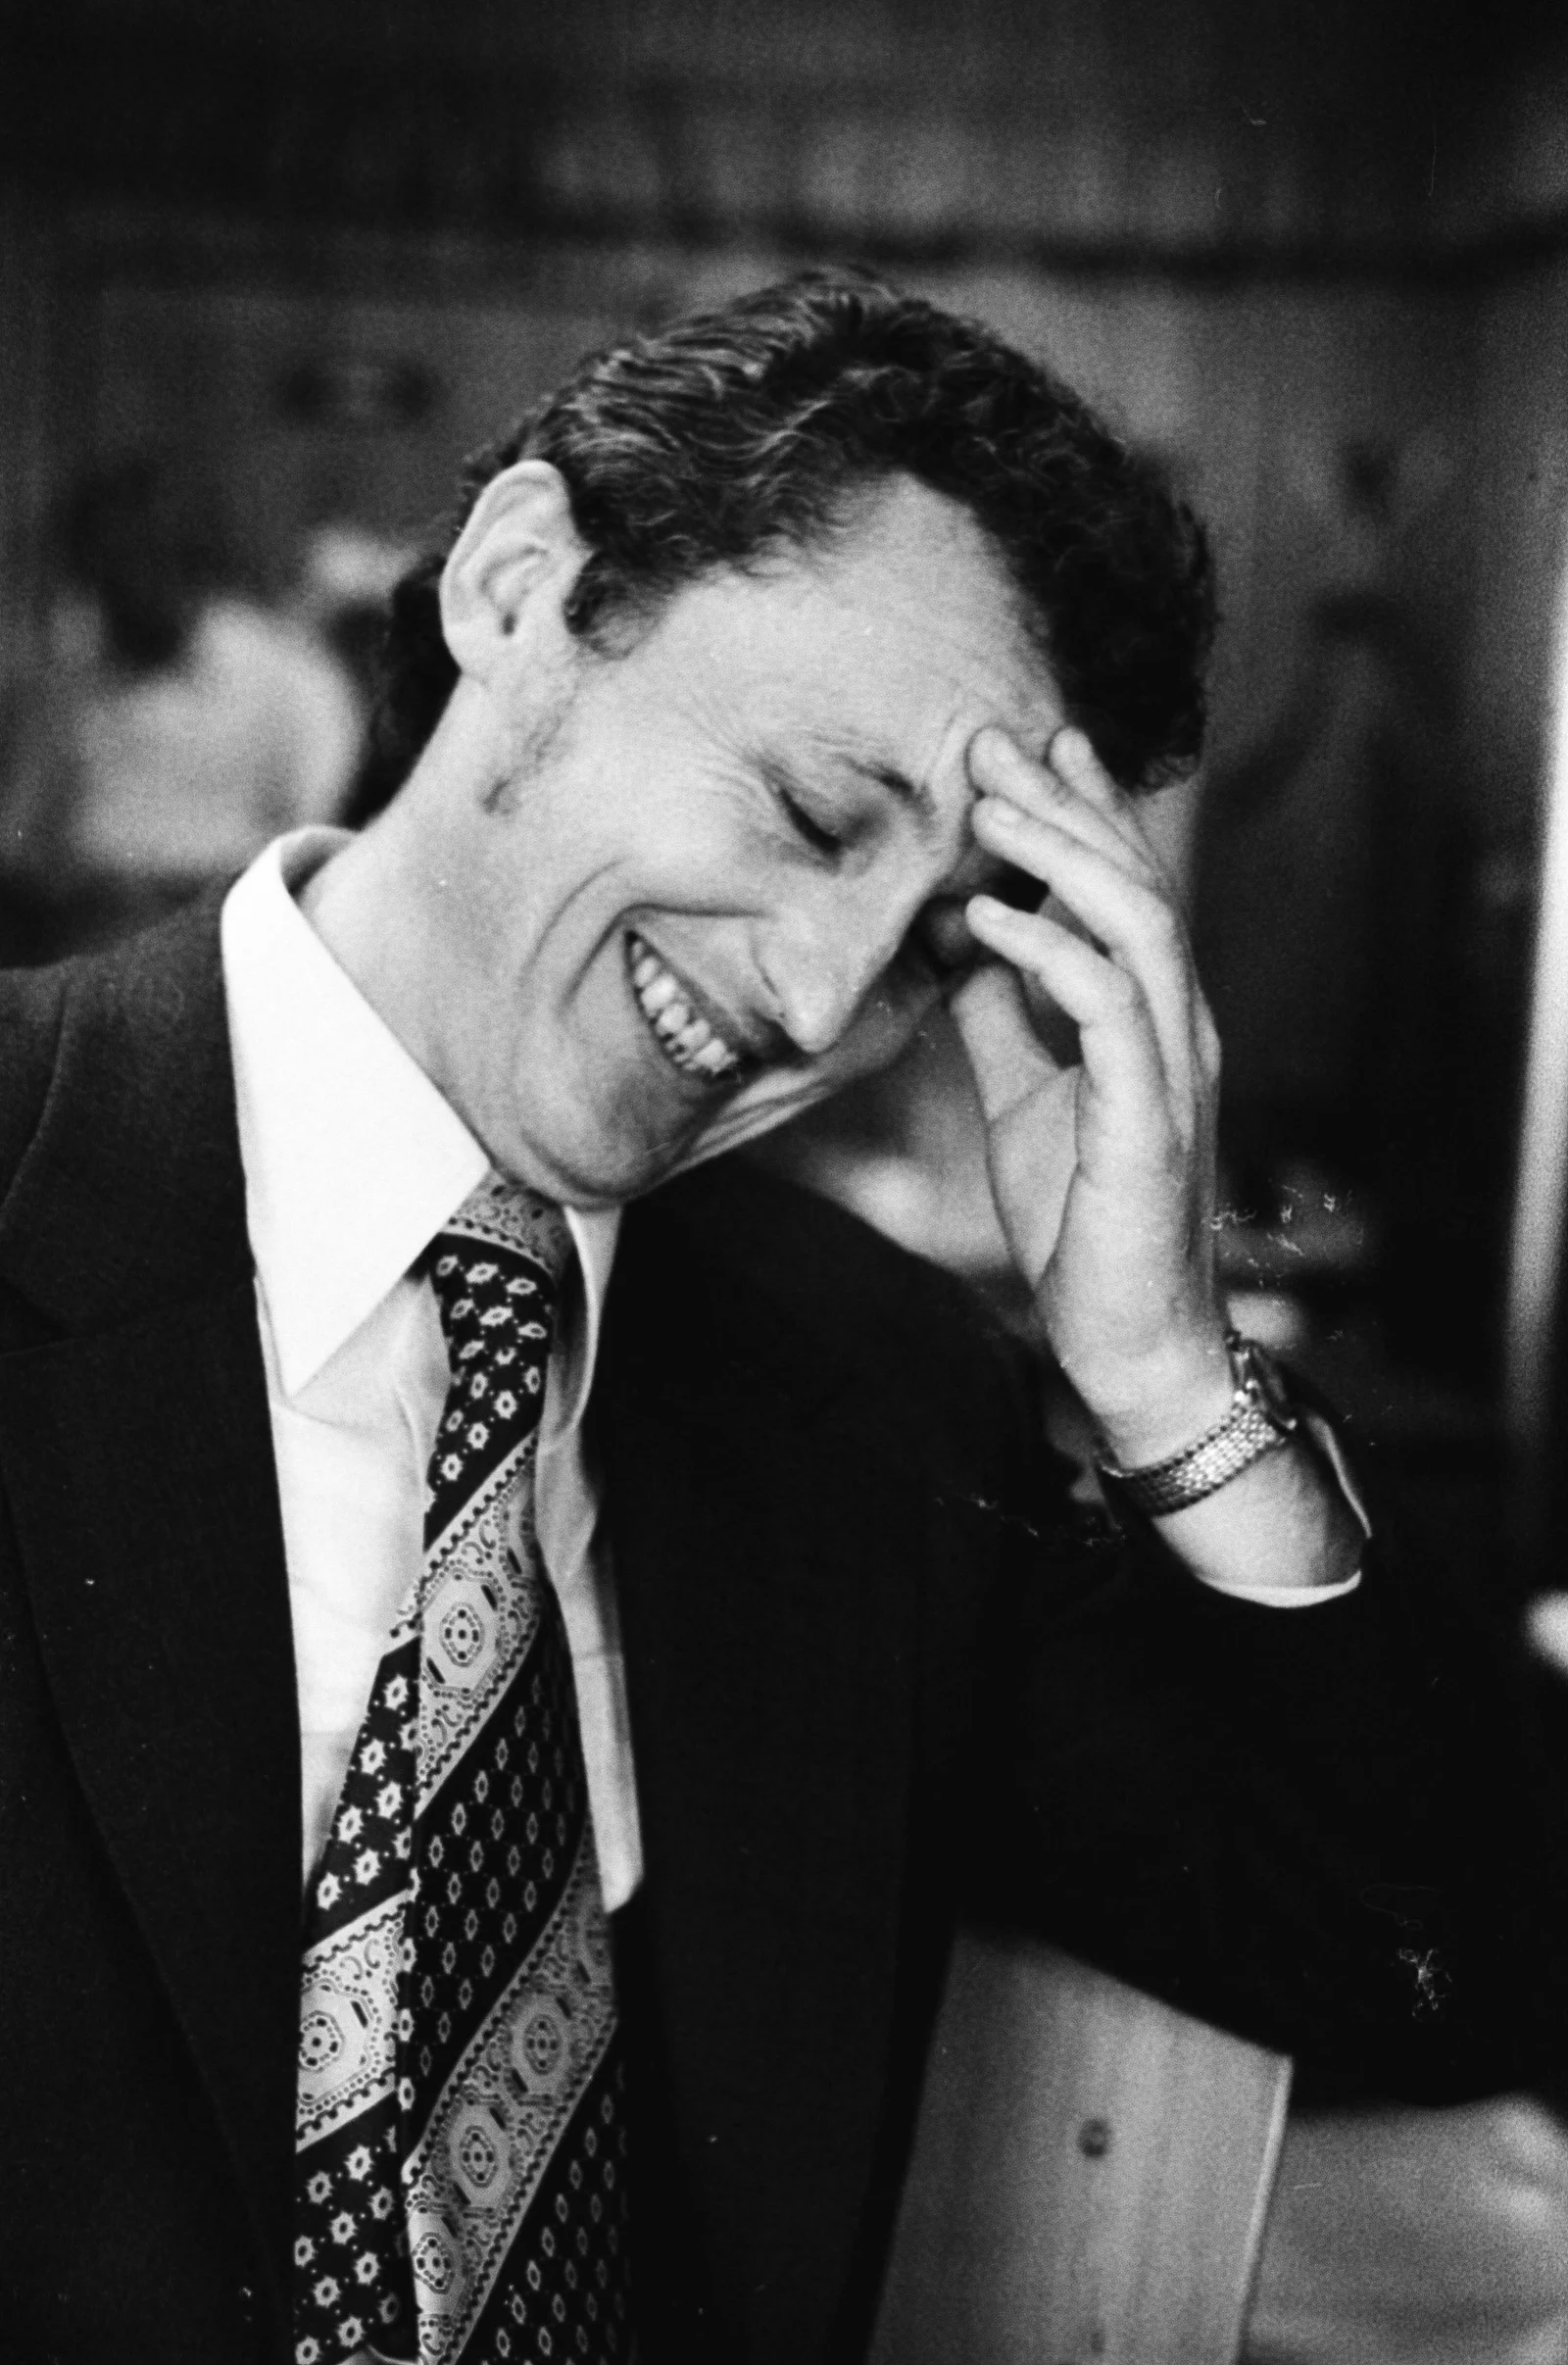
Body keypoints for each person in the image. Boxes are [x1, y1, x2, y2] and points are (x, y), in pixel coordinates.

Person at [0, 272, 1544, 2365]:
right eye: (815, 814)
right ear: (523, 591)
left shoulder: (872, 1394)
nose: (821, 1004)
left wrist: (1166, 1372)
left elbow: (1429, 1956)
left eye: (930, 949)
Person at [0, 455, 363, 962]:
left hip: (226, 944)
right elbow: (21, 839)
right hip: (82, 939)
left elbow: (315, 840)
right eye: (98, 577)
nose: (107, 598)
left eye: (129, 570)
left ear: (187, 566)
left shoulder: (291, 678)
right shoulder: (69, 674)